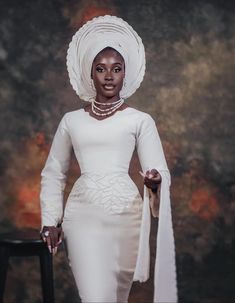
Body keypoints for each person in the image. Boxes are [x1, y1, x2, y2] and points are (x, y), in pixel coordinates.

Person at [40, 15, 177, 303]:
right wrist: (50, 220)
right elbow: (53, 172)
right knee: (94, 297)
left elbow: (159, 171)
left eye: (116, 69)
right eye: (101, 69)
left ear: (125, 73)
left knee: (116, 298)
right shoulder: (71, 121)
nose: (109, 76)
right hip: (82, 219)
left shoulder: (140, 120)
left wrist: (154, 182)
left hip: (126, 217)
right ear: (90, 74)